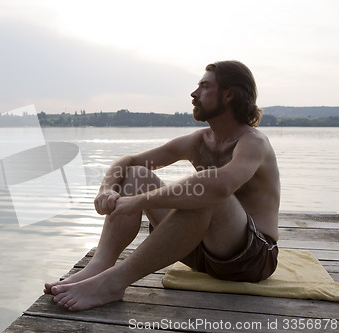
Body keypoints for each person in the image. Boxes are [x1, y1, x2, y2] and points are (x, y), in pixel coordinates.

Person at [44, 60, 280, 311]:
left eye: (204, 86)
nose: (194, 93)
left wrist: (140, 201)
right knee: (136, 174)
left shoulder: (253, 143)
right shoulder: (199, 141)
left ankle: (114, 283)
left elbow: (220, 187)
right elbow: (130, 161)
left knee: (209, 192)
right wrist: (107, 188)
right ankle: (99, 266)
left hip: (251, 258)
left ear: (229, 94)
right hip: (201, 253)